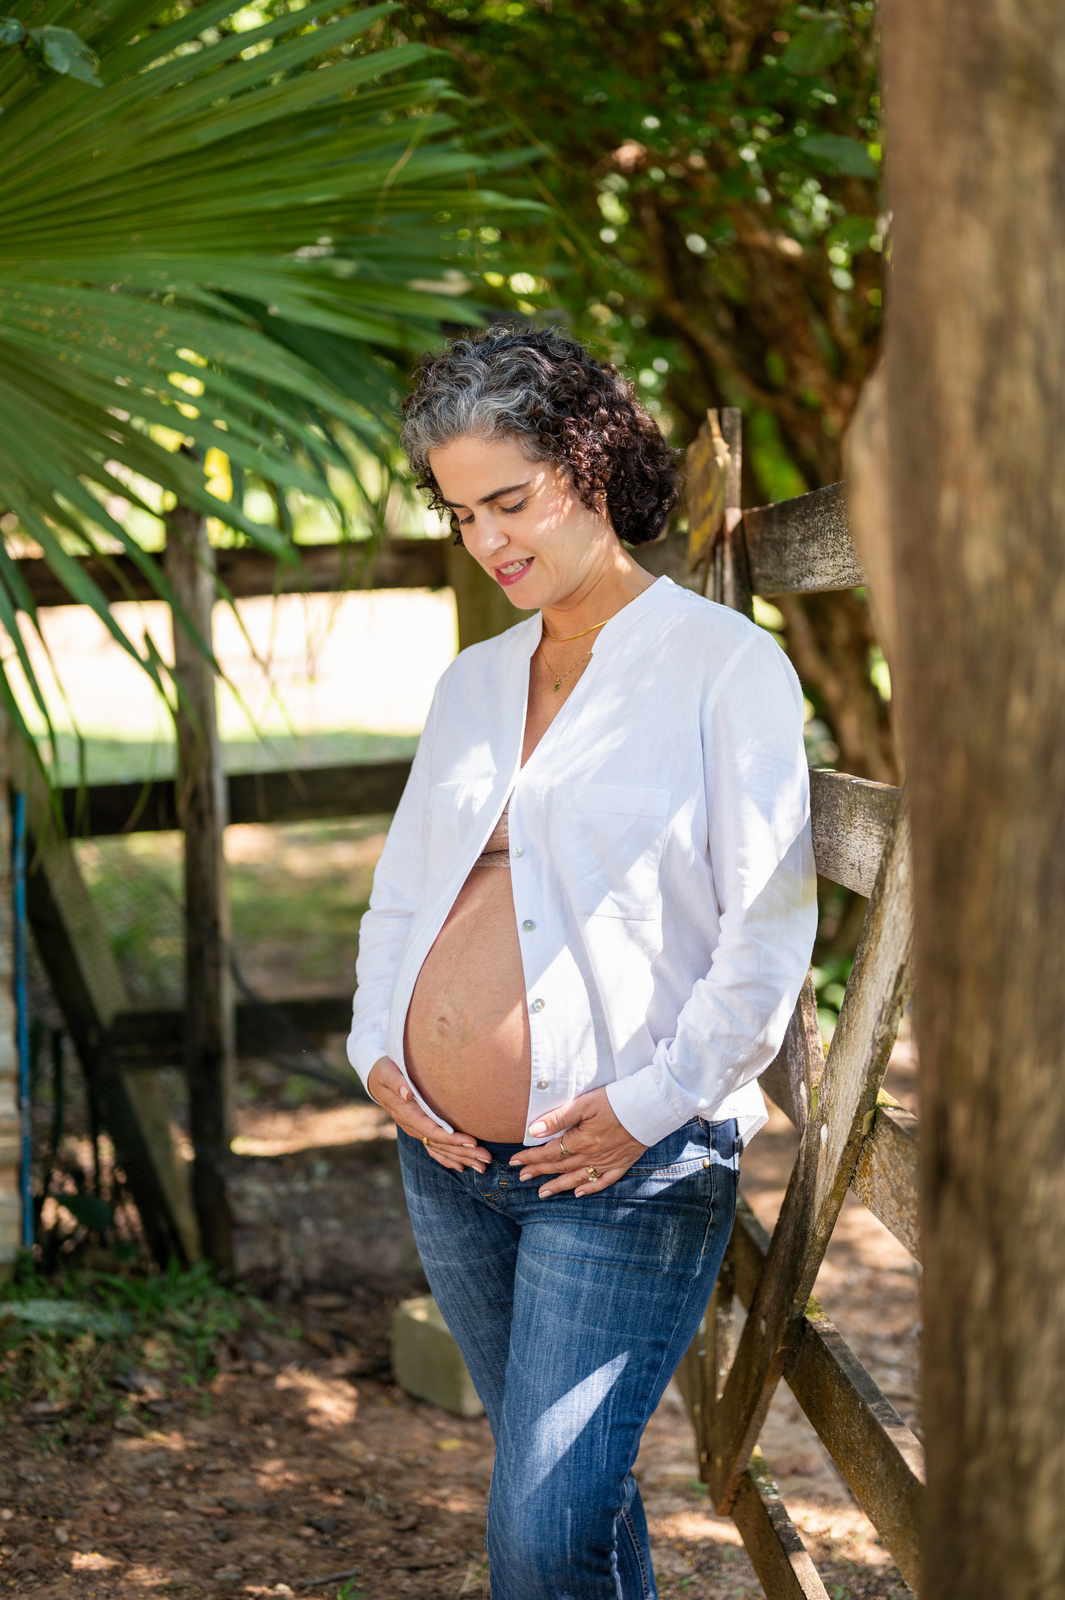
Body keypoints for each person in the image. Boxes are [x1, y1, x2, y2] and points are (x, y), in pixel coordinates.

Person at [347, 326, 817, 1600]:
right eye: (461, 515)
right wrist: (378, 1051)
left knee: (544, 1532)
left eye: (510, 500)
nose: (488, 541)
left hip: (620, 1166)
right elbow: (404, 894)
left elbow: (768, 932)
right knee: (566, 1504)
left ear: (591, 462)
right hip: (448, 1165)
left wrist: (649, 1107)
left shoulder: (724, 667)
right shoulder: (474, 681)